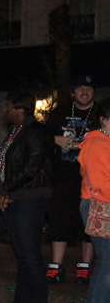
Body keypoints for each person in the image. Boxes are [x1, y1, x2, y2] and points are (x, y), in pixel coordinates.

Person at [0, 91, 54, 303]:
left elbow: (31, 169)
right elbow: (2, 167)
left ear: (19, 109)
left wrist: (5, 190)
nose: (4, 111)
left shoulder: (37, 132)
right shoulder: (14, 134)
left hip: (31, 198)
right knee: (23, 257)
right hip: (15, 198)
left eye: (7, 106)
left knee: (31, 257)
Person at [45, 75, 96, 284]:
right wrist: (55, 139)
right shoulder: (60, 113)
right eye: (80, 87)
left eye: (89, 88)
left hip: (92, 178)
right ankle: (56, 267)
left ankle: (84, 266)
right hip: (63, 176)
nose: (84, 91)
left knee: (89, 222)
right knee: (59, 220)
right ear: (72, 92)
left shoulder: (101, 113)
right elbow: (42, 137)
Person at [77, 100, 110, 303]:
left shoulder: (102, 142)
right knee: (106, 263)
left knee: (106, 263)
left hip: (101, 204)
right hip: (100, 206)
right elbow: (101, 183)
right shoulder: (98, 143)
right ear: (105, 119)